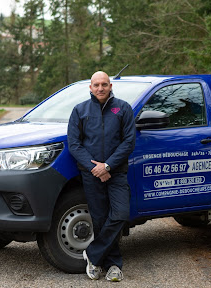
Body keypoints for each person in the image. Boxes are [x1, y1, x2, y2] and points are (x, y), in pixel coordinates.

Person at [67, 71, 136, 282]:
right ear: (90, 87)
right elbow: (74, 144)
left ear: (110, 86)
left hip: (116, 172)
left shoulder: (123, 108)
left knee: (121, 214)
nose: (100, 88)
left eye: (104, 84)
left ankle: (93, 254)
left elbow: (129, 142)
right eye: (96, 85)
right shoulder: (80, 110)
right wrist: (95, 168)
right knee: (99, 219)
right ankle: (113, 265)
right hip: (91, 174)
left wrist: (108, 166)